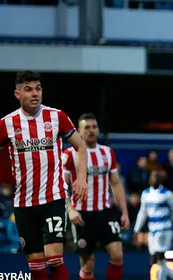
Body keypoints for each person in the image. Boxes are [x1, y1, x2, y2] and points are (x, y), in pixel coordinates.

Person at [0, 70, 88, 280]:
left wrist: (81, 178)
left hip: (53, 197)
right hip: (24, 203)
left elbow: (80, 147)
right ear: (17, 94)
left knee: (55, 259)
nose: (34, 93)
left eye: (38, 88)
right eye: (28, 89)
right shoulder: (7, 124)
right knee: (35, 266)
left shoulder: (57, 117)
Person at [62, 113, 129, 280]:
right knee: (88, 264)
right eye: (87, 127)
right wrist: (70, 210)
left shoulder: (107, 153)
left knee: (117, 255)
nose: (92, 131)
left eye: (94, 127)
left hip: (105, 212)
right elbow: (61, 186)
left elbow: (115, 183)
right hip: (82, 215)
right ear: (78, 131)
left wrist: (125, 212)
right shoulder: (70, 154)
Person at [134, 171, 173, 280]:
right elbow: (142, 213)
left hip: (165, 229)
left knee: (157, 256)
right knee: (158, 260)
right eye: (152, 176)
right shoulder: (145, 194)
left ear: (160, 180)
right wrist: (136, 229)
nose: (154, 179)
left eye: (156, 177)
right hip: (152, 230)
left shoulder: (167, 194)